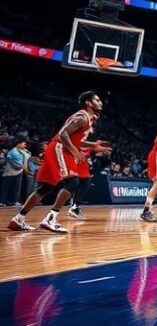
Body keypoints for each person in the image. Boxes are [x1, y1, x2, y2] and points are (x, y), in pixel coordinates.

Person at [8, 91, 102, 233]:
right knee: (73, 182)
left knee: (45, 188)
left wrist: (93, 145)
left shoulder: (87, 119)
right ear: (88, 103)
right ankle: (50, 219)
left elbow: (77, 141)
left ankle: (18, 219)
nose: (100, 102)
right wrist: (75, 151)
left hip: (60, 148)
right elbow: (63, 134)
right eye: (97, 100)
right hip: (60, 148)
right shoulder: (82, 117)